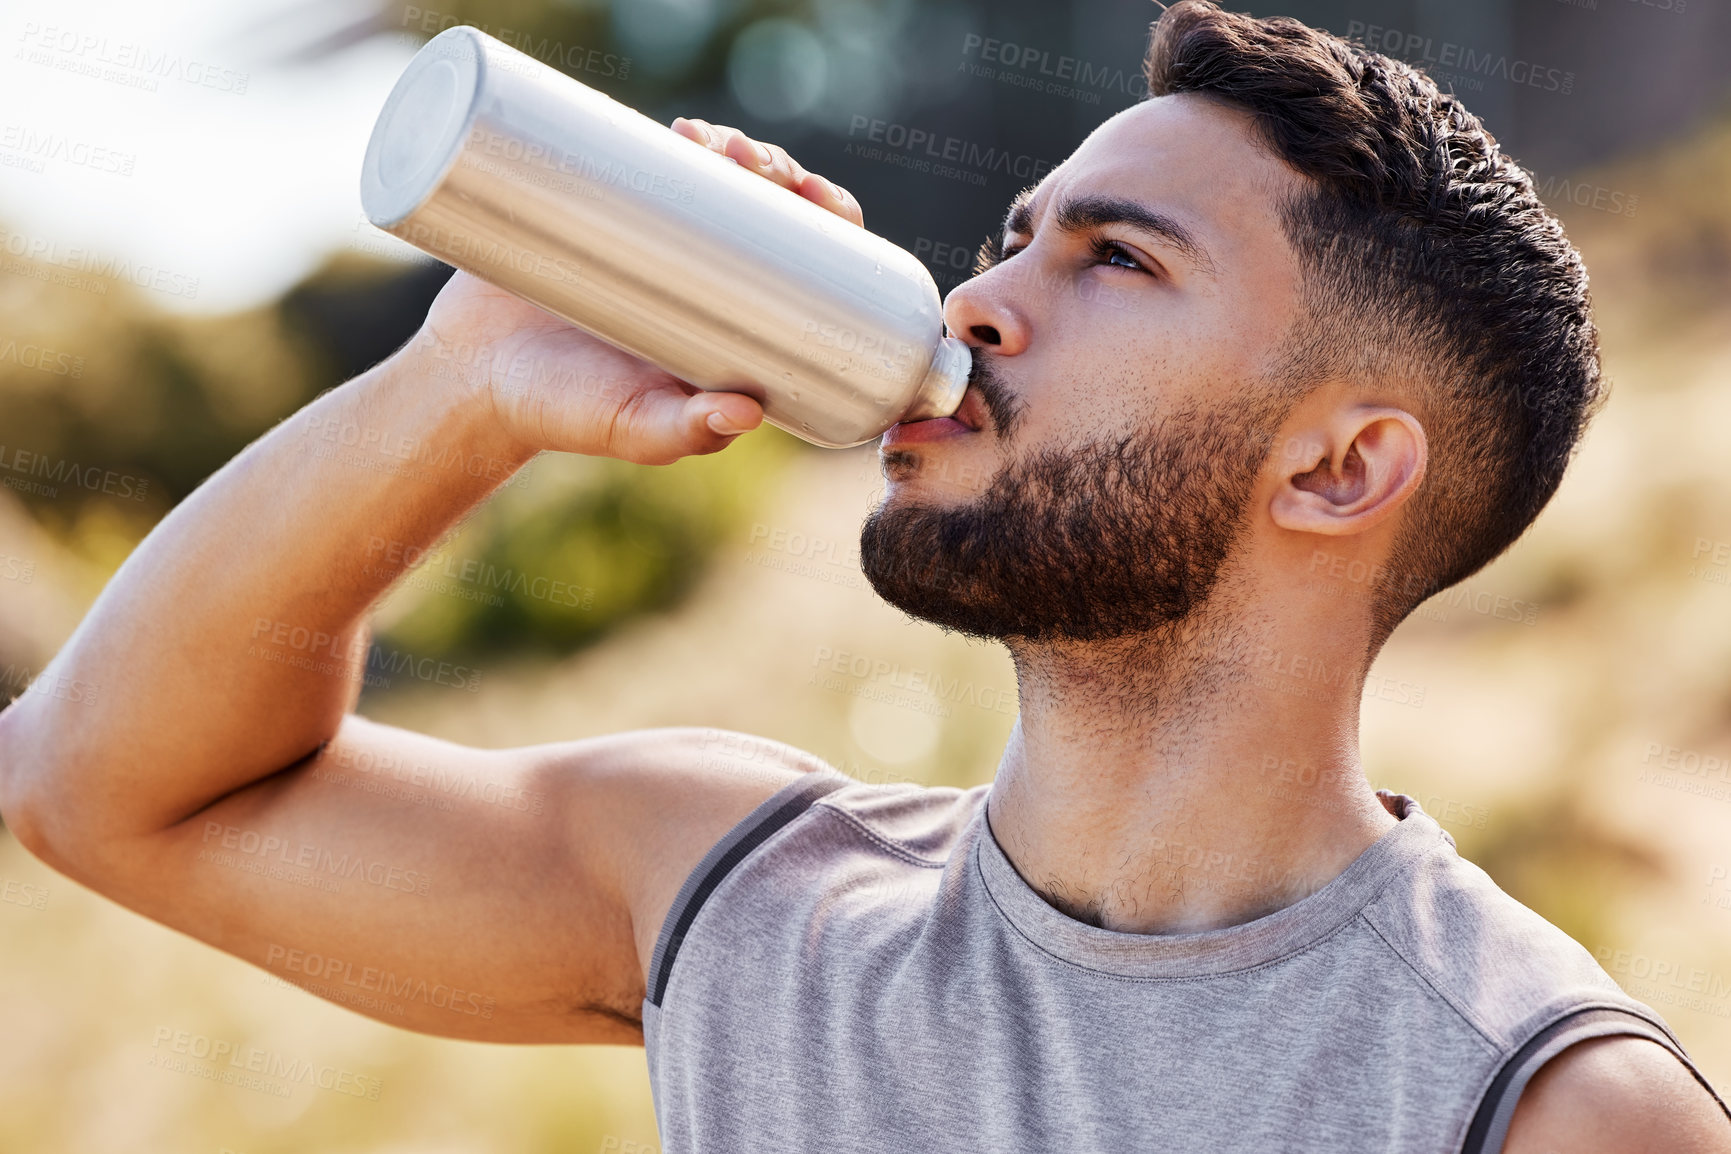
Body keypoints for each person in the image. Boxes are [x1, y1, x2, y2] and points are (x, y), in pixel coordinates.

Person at [1, 2, 1728, 1150]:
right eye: (1010, 238)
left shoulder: (1542, 1102)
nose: (975, 303)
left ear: (1343, 466)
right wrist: (458, 392)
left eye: (1118, 259)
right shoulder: (735, 894)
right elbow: (91, 785)